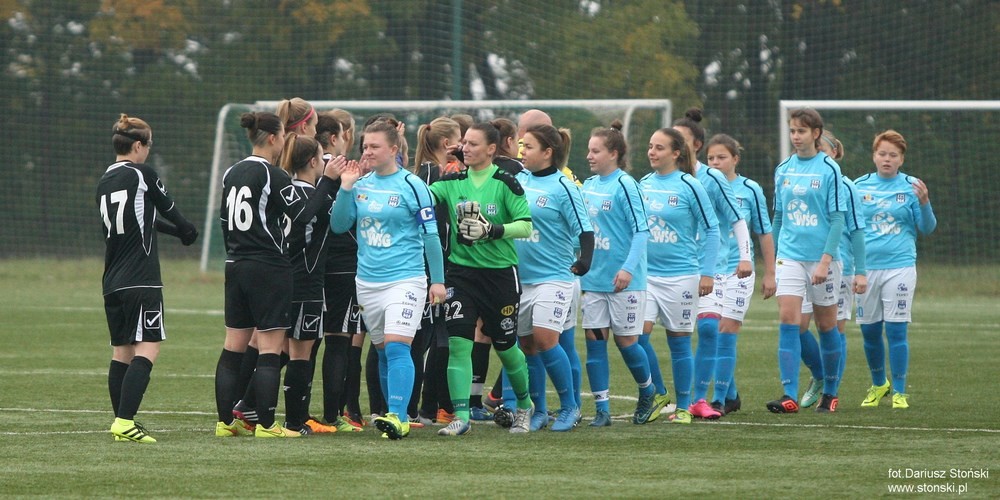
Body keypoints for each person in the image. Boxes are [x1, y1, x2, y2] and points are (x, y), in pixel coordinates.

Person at [214, 111, 334, 438]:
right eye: (282, 136)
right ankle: (267, 425)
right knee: (269, 348)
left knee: (233, 348)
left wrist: (237, 252)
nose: (284, 142)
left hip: (235, 264)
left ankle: (225, 423)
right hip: (268, 267)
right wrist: (328, 181)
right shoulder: (273, 175)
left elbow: (224, 221)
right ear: (272, 138)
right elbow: (304, 214)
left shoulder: (232, 172)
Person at [331, 120, 447, 439]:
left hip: (405, 280)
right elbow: (339, 225)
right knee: (382, 350)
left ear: (394, 149)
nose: (367, 151)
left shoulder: (413, 185)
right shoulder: (361, 184)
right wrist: (345, 188)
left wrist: (437, 280)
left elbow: (431, 235)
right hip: (368, 283)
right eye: (365, 146)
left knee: (397, 347)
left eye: (375, 146)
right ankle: (390, 414)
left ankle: (398, 416)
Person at [427, 122, 535, 436]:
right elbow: (420, 196)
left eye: (473, 143)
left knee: (506, 347)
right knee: (459, 345)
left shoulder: (505, 183)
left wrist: (492, 230)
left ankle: (524, 406)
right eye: (464, 143)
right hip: (461, 275)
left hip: (500, 277)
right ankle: (461, 416)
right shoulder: (451, 182)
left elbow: (525, 226)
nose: (466, 148)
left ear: (491, 149)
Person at [98, 114, 199, 443]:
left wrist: (175, 233)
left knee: (122, 352)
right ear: (138, 145)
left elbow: (144, 220)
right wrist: (186, 229)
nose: (149, 151)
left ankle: (121, 423)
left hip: (112, 280)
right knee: (148, 346)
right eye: (149, 145)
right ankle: (125, 421)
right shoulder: (142, 174)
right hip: (141, 278)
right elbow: (168, 207)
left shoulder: (105, 181)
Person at [671, 109, 753, 419]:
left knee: (708, 328)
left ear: (696, 145)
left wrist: (745, 257)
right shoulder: (662, 180)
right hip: (673, 270)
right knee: (646, 336)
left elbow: (737, 219)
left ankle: (699, 399)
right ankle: (659, 392)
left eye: (681, 140)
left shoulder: (713, 178)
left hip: (713, 267)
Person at [767, 108, 848, 414]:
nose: (795, 136)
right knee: (789, 320)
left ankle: (831, 391)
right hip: (789, 257)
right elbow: (778, 217)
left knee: (827, 326)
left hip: (822, 259)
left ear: (816, 134)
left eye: (801, 131)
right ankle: (789, 394)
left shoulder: (829, 169)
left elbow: (837, 219)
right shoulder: (783, 169)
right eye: (792, 131)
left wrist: (826, 261)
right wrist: (772, 261)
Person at [515, 124, 594, 431]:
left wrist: (585, 260)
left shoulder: (564, 186)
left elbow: (584, 229)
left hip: (555, 276)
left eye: (529, 146)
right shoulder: (519, 180)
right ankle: (539, 411)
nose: (523, 151)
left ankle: (570, 407)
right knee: (527, 345)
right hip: (521, 278)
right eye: (522, 145)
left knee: (546, 339)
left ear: (548, 152)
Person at [639, 127, 720, 424]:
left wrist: (707, 273)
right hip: (646, 277)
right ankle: (659, 392)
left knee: (679, 343)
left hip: (681, 276)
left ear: (676, 153)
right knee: (636, 338)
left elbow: (712, 229)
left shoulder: (690, 185)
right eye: (650, 146)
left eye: (659, 147)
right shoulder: (643, 184)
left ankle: (684, 406)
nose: (652, 152)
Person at [580, 120, 656, 427]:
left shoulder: (626, 185)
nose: (589, 156)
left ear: (613, 154)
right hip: (593, 280)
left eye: (595, 151)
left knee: (627, 343)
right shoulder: (588, 185)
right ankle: (602, 410)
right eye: (589, 150)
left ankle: (648, 391)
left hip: (624, 282)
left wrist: (627, 269)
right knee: (594, 343)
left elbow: (642, 231)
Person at [854, 130, 936, 409]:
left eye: (893, 155)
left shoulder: (912, 187)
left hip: (900, 267)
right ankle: (879, 385)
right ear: (874, 156)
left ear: (901, 159)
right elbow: (852, 228)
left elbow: (927, 228)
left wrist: (925, 203)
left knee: (896, 330)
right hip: (866, 269)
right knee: (869, 332)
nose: (887, 159)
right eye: (882, 154)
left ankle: (900, 391)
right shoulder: (859, 186)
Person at [274, 134, 343, 435]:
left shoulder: (285, 192)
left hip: (282, 278)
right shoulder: (315, 199)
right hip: (306, 282)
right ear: (314, 161)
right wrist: (341, 184)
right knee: (300, 354)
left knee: (279, 350)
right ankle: (295, 421)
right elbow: (342, 218)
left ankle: (247, 406)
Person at [704, 134, 777, 416]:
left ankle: (718, 400)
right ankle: (731, 394)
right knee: (712, 331)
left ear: (735, 159)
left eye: (721, 157)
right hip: (711, 271)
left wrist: (770, 273)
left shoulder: (750, 189)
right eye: (710, 158)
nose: (715, 162)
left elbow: (764, 231)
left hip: (739, 271)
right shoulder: (702, 186)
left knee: (726, 330)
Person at [797, 130, 868, 409]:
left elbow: (857, 230)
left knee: (834, 329)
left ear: (834, 154)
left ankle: (831, 392)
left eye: (823, 150)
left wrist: (860, 271)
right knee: (797, 326)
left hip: (840, 266)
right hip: (803, 263)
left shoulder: (845, 186)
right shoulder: (802, 180)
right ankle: (820, 375)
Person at [313, 111, 363, 432]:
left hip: (310, 265)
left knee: (302, 342)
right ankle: (333, 416)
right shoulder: (345, 171)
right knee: (338, 340)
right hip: (343, 266)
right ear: (334, 138)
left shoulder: (306, 166)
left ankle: (292, 412)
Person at [412, 117, 463, 425]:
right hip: (432, 268)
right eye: (460, 140)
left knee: (437, 337)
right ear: (447, 144)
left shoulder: (430, 171)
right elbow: (432, 227)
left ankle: (431, 407)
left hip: (435, 266)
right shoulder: (433, 174)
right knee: (428, 339)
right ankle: (421, 408)